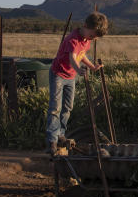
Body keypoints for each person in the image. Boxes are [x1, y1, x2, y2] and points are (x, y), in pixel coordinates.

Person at [46, 11, 108, 155]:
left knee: (68, 106)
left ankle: (61, 134)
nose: (92, 38)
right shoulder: (73, 39)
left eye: (94, 37)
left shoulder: (86, 40)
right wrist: (78, 69)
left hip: (70, 76)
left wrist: (92, 66)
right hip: (58, 74)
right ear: (85, 26)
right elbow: (73, 57)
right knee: (55, 107)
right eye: (92, 35)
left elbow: (82, 55)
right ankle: (52, 140)